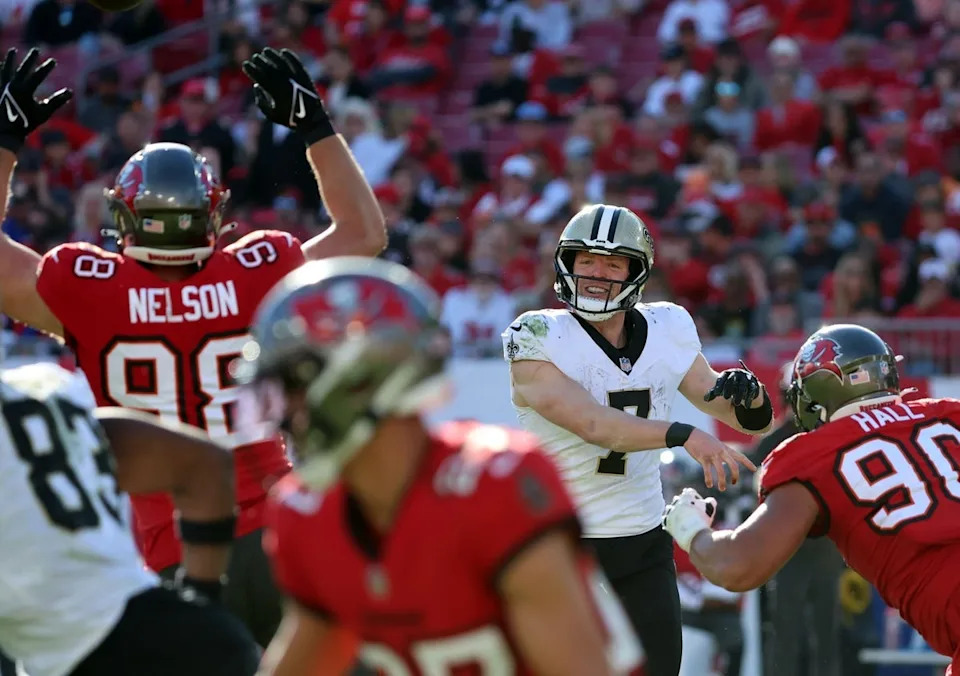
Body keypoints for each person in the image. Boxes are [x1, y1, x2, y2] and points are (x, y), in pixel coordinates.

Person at [0, 47, 386, 646]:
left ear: (126, 217)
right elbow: (362, 232)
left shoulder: (88, 288)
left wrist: (4, 143)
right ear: (212, 213)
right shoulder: (260, 271)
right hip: (282, 529)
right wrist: (315, 127)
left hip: (175, 548)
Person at [233, 257, 644, 676]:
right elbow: (311, 650)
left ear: (360, 381)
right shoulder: (304, 512)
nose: (284, 413)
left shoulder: (493, 483)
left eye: (294, 386)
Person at [500, 203, 767, 676]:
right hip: (559, 546)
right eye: (586, 260)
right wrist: (682, 434)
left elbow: (743, 418)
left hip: (642, 544)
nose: (595, 273)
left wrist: (750, 396)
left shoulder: (668, 326)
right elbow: (594, 424)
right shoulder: (537, 333)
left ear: (636, 272)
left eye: (612, 263)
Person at [663, 324, 960, 676]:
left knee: (803, 624)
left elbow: (735, 566)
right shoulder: (949, 412)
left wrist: (690, 527)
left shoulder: (812, 454)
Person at [0, 360, 260, 676]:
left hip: (99, 656)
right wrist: (200, 598)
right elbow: (206, 463)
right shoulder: (47, 392)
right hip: (194, 633)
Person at [750, 363, 843, 676]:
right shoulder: (774, 440)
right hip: (787, 548)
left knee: (826, 629)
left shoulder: (827, 436)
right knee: (785, 628)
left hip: (820, 545)